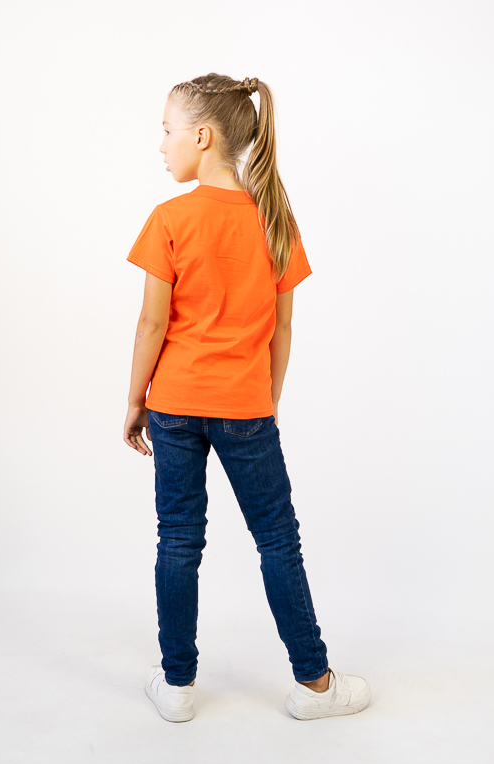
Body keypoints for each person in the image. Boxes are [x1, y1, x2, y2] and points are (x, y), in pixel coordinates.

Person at [123, 73, 371, 723]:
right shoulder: (275, 220)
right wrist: (268, 397)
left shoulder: (169, 218)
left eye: (167, 131)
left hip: (174, 404)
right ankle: (314, 685)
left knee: (178, 539)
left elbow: (151, 323)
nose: (161, 145)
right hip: (246, 409)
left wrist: (135, 399)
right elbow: (282, 329)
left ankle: (177, 685)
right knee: (277, 540)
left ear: (202, 137)